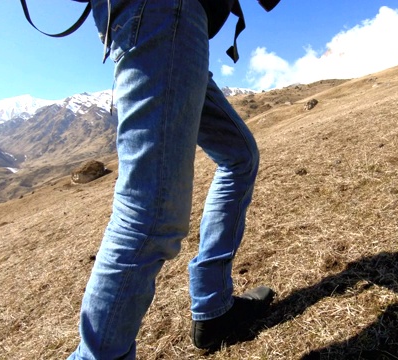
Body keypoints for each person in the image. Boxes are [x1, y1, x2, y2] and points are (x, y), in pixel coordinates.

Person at [67, 0, 278, 359]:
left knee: (239, 155)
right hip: (164, 12)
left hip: (177, 19)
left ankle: (214, 309)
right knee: (150, 213)